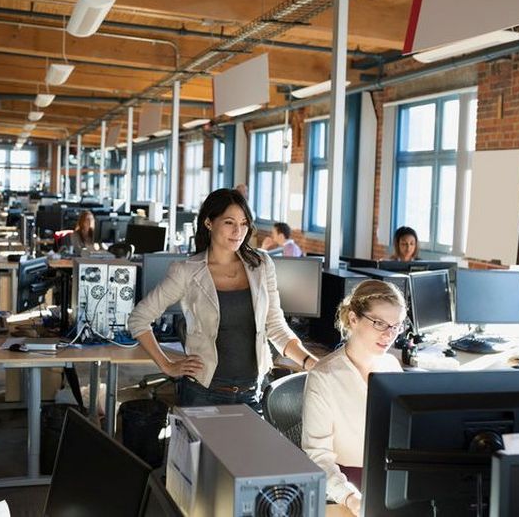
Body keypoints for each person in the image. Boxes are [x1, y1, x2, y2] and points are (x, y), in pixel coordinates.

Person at [128, 188, 318, 412]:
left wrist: (311, 363)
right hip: (203, 392)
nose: (238, 231)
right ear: (209, 222)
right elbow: (139, 319)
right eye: (229, 222)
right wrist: (167, 365)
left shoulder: (261, 265)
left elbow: (276, 326)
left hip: (253, 392)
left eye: (244, 223)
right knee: (203, 449)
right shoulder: (187, 271)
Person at [301, 280, 406, 515]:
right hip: (345, 488)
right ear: (353, 319)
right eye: (379, 323)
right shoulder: (324, 376)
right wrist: (350, 497)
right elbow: (318, 456)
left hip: (392, 482)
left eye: (396, 326)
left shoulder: (391, 366)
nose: (389, 335)